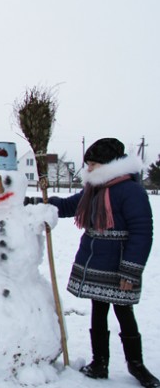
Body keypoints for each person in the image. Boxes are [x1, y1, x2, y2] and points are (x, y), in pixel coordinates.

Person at [42, 138, 159, 387]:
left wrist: (131, 272)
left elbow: (142, 231)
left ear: (110, 164)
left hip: (119, 262)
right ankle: (99, 363)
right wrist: (38, 202)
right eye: (89, 164)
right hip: (96, 260)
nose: (89, 168)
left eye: (94, 164)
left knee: (124, 311)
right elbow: (67, 206)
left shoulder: (131, 190)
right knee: (98, 309)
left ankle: (136, 364)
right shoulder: (93, 188)